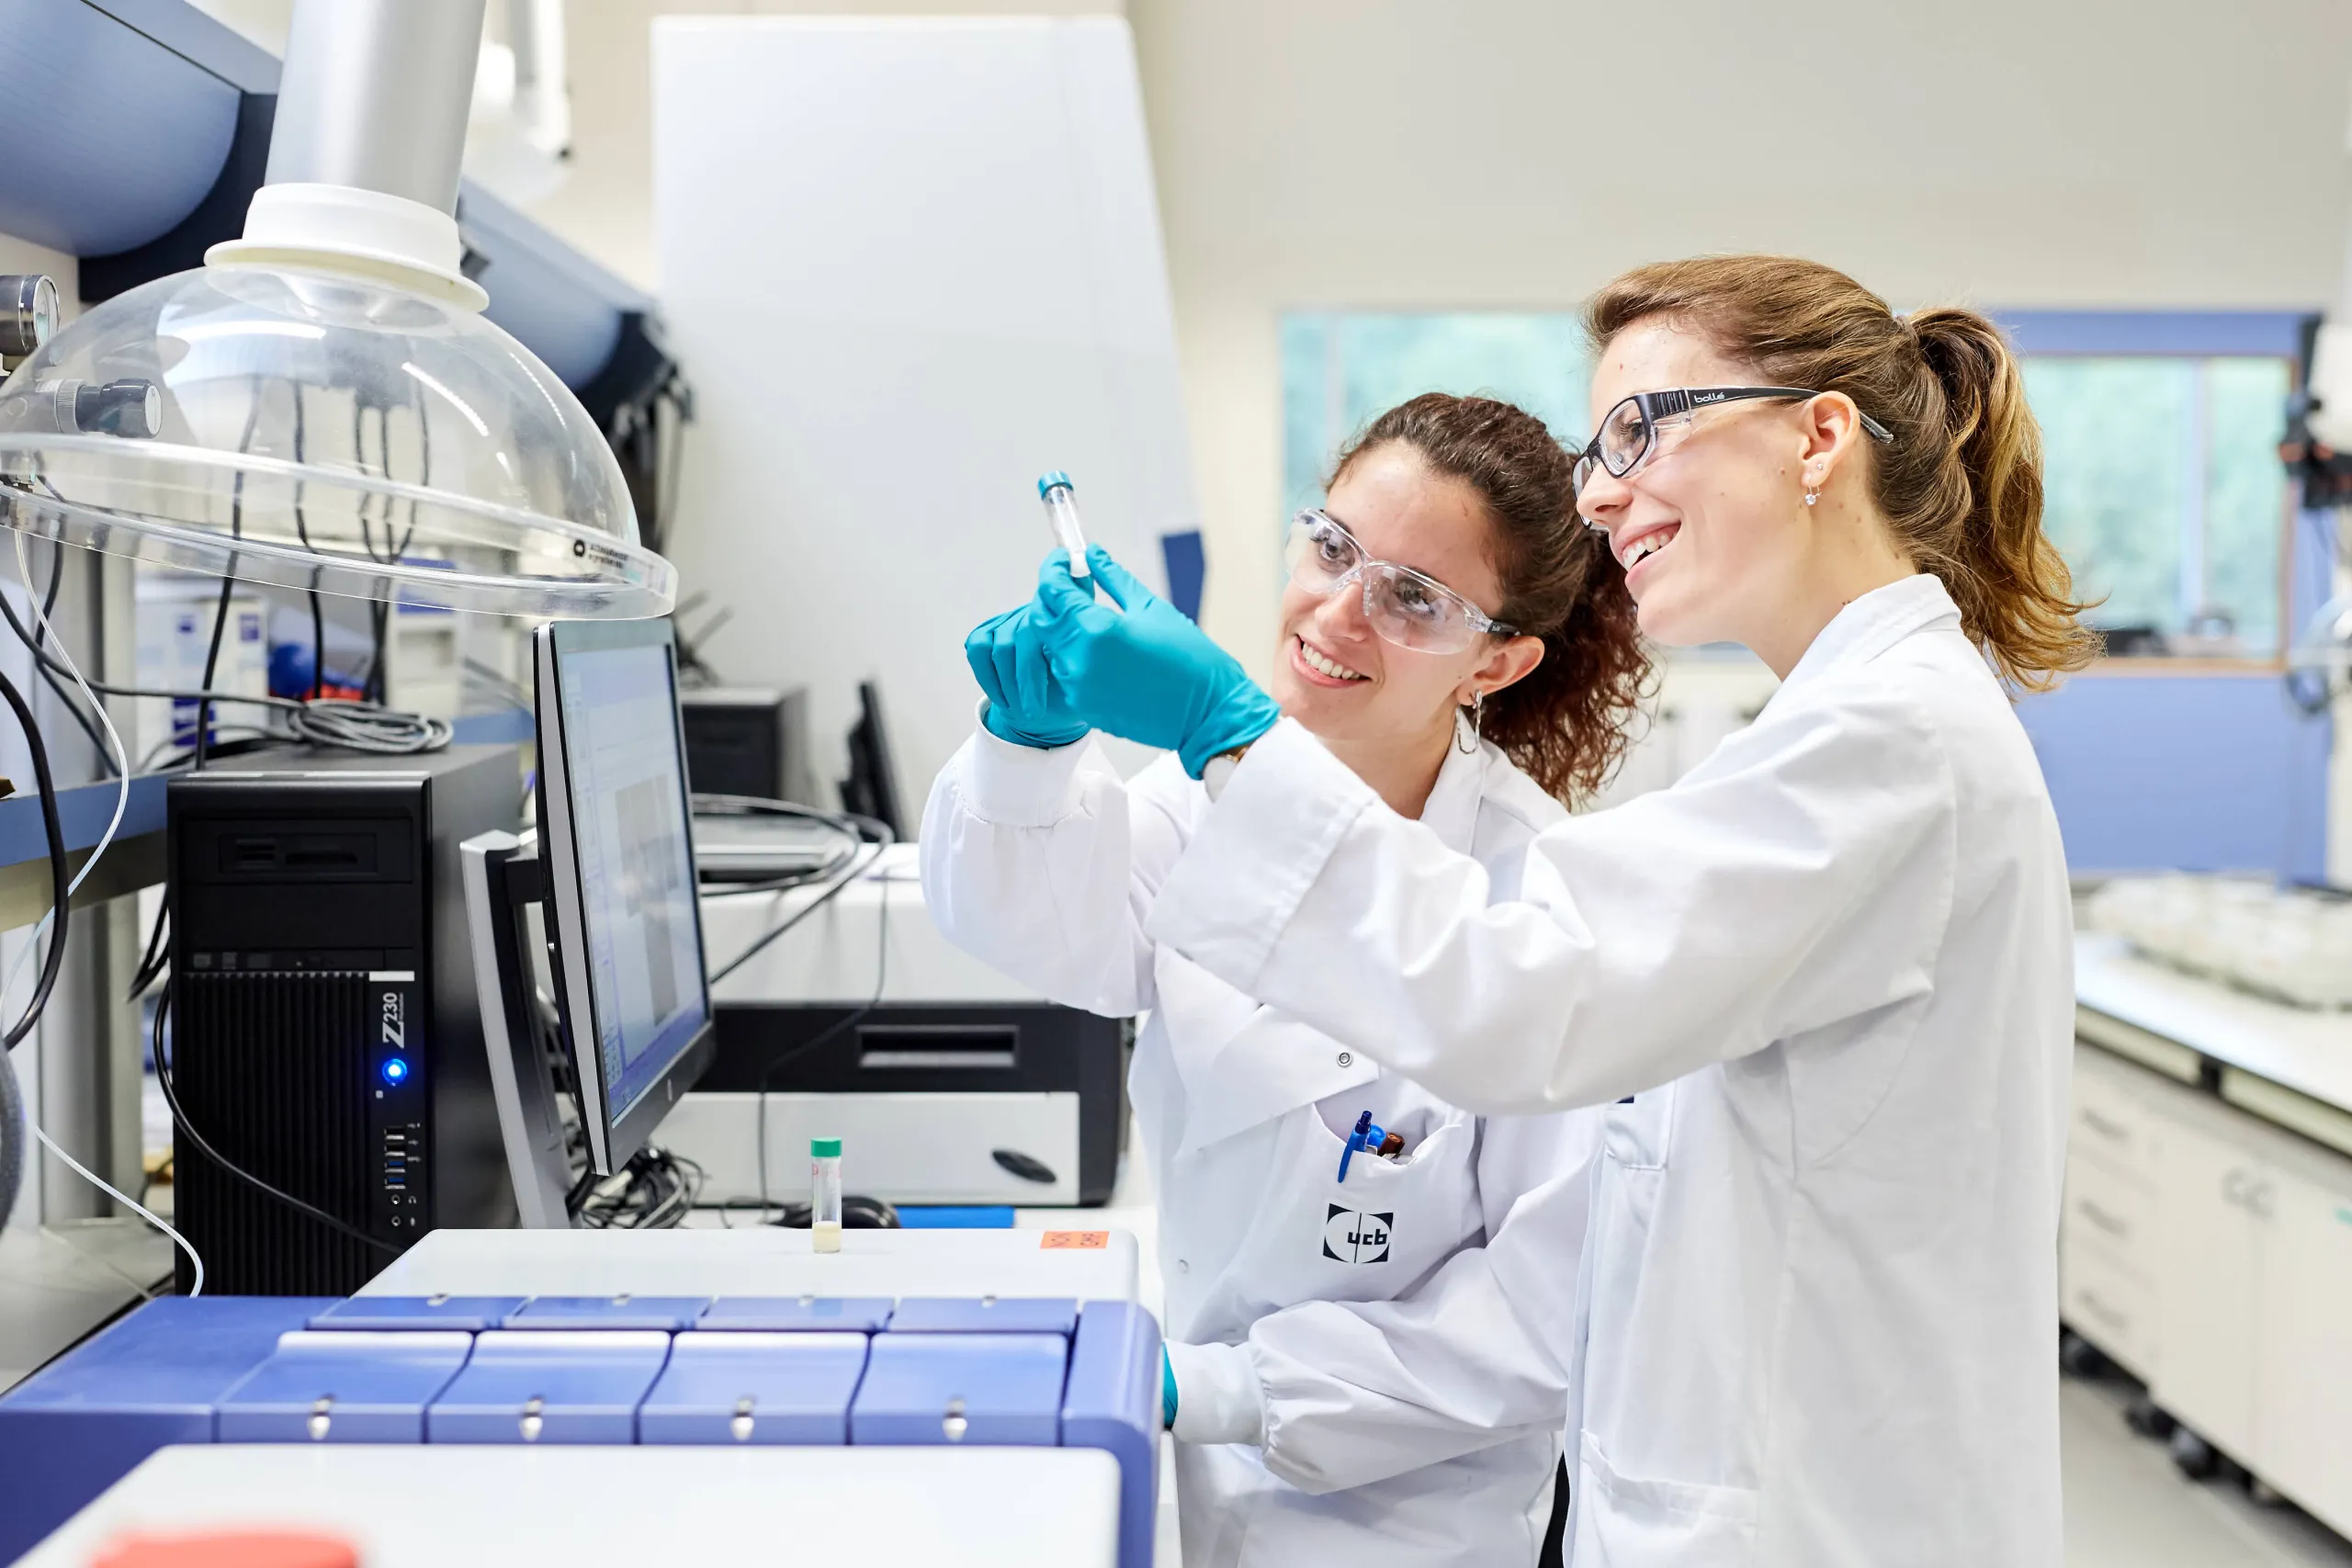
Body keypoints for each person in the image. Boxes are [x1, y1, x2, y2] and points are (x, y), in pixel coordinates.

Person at [1000, 255, 2096, 1567]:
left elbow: (1514, 991)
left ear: (1817, 433)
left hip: (1815, 1516)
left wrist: (1227, 733)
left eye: (1640, 426)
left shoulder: (1894, 742)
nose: (1598, 488)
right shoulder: (1846, 728)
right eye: (1596, 444)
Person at [920, 394, 1647, 1566]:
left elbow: (1537, 1319)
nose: (1339, 613)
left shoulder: (1538, 900)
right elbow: (1051, 937)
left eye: (1415, 597)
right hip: (1182, 1470)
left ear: (1498, 660)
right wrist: (1025, 745)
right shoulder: (1191, 798)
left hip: (1405, 1520)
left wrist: (1216, 1390)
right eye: (1333, 548)